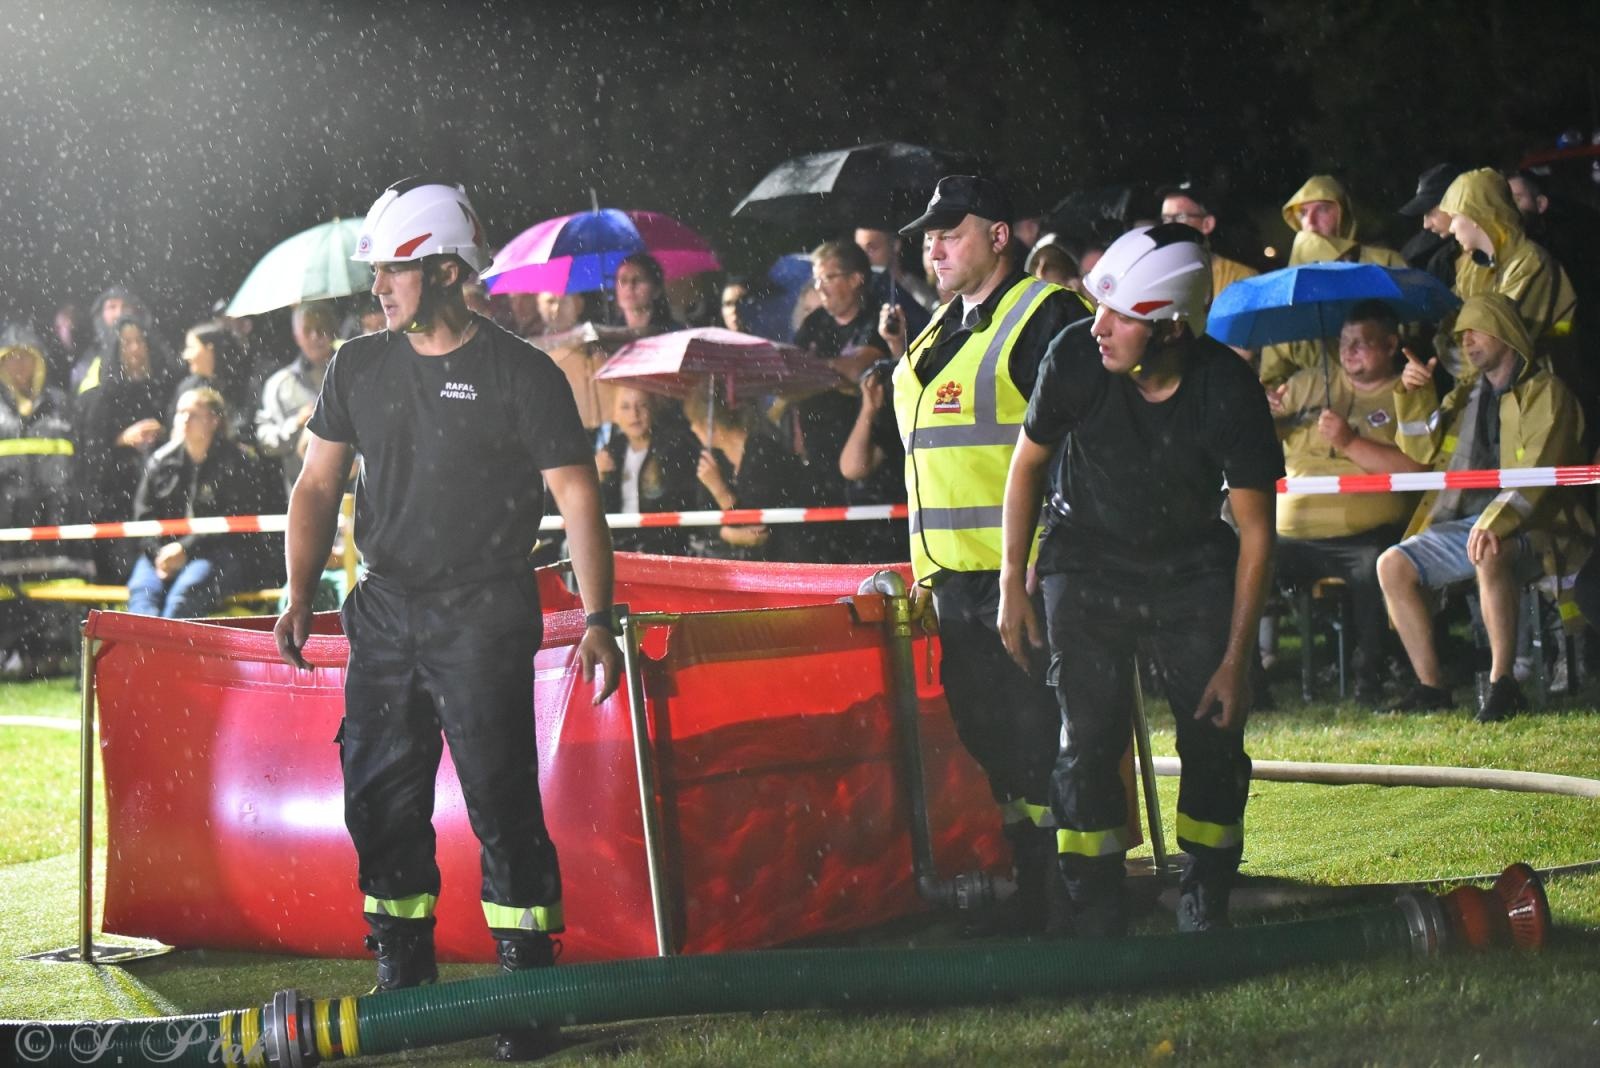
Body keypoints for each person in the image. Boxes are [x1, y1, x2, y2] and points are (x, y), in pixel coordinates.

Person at [272, 178, 621, 1062]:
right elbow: (316, 486)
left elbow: (579, 498)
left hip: (484, 612)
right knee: (378, 800)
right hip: (383, 614)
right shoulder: (357, 365)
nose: (380, 287)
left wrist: (599, 618)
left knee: (502, 799)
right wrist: (293, 595)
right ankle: (403, 971)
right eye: (379, 272)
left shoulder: (521, 373)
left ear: (446, 270)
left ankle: (526, 987)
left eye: (395, 270)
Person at [998, 224, 1283, 936]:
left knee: (1214, 735)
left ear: (1172, 329)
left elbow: (1256, 532)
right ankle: (1093, 902)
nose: (1098, 327)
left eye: (1121, 315)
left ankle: (1205, 890)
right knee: (1085, 736)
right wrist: (1012, 577)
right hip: (1084, 561)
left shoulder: (1228, 390)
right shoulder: (1074, 358)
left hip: (1190, 567)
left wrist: (1235, 660)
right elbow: (1027, 464)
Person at [891, 174, 1089, 934]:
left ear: (1000, 236)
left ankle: (1069, 891)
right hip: (955, 577)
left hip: (1023, 573)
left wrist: (1035, 562)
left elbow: (1076, 447)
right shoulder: (942, 326)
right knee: (994, 738)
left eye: (951, 231)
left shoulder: (1047, 316)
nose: (932, 246)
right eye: (927, 237)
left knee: (1043, 732)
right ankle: (1032, 881)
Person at [1376, 292, 1591, 722]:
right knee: (1391, 565)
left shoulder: (1546, 393)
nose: (1467, 342)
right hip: (1471, 523)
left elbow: (1537, 477)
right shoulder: (1466, 394)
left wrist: (1493, 522)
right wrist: (1412, 395)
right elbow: (1420, 447)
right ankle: (1432, 687)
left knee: (1489, 551)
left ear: (1507, 334)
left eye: (1477, 331)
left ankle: (1502, 685)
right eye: (1462, 335)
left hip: (1540, 524)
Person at [1266, 301, 1425, 700]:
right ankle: (1250, 683)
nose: (1348, 350)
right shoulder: (1307, 384)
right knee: (1234, 558)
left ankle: (1369, 678)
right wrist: (1263, 414)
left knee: (1378, 564)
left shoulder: (1406, 393)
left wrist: (1350, 442)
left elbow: (1416, 471)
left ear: (1391, 345)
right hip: (1289, 534)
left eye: (1362, 343)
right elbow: (1258, 438)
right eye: (1343, 341)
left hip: (1363, 537)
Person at [126, 388, 264, 618]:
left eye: (193, 414)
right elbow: (143, 518)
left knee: (182, 600)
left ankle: (172, 654)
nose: (184, 420)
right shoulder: (159, 462)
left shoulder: (237, 462)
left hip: (216, 554)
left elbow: (232, 521)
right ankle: (145, 655)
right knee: (142, 600)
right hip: (160, 555)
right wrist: (159, 554)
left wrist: (185, 549)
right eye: (180, 413)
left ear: (213, 420)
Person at [1261, 175, 1406, 385]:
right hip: (1319, 405)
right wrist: (1274, 394)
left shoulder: (1385, 263)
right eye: (1302, 213)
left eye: (1322, 209)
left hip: (1385, 394)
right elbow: (1273, 372)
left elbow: (1412, 335)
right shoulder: (1288, 287)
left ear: (1344, 214)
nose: (1310, 222)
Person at [76, 316, 174, 582]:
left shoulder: (167, 390)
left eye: (140, 340)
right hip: (117, 504)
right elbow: (91, 460)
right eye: (126, 342)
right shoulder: (99, 399)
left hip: (160, 503)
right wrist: (122, 440)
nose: (135, 349)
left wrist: (162, 433)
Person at [683, 384, 812, 562]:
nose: (692, 429)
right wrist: (728, 534)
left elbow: (757, 528)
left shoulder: (763, 452)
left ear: (710, 425)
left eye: (694, 422)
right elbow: (703, 513)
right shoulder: (715, 458)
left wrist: (720, 490)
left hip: (785, 559)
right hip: (740, 562)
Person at [594, 385, 698, 555]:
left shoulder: (672, 447)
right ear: (615, 414)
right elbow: (602, 507)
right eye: (625, 407)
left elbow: (681, 500)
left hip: (660, 542)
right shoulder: (612, 450)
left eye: (642, 405)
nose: (634, 414)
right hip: (619, 540)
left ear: (653, 408)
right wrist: (598, 478)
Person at [256, 302, 337, 496]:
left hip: (356, 494)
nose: (316, 336)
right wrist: (297, 424)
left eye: (322, 328)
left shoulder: (355, 376)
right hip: (305, 497)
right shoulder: (279, 385)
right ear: (296, 336)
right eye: (308, 330)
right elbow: (265, 441)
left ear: (334, 330)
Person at [1157, 182, 1259, 303]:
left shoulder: (1239, 278)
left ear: (1207, 224)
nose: (1170, 227)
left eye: (1180, 217)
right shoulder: (1155, 275)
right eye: (1166, 219)